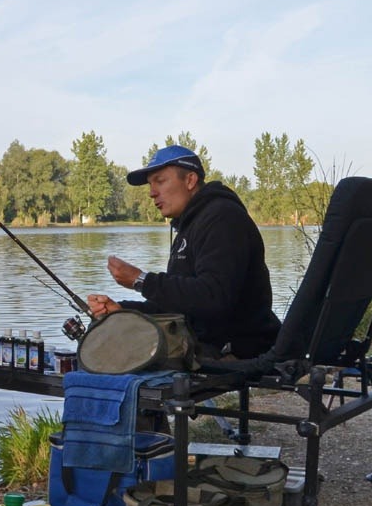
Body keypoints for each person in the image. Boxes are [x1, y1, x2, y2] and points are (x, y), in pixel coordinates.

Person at [87, 145, 280, 360]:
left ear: (190, 180)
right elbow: (178, 305)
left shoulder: (223, 218)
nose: (152, 193)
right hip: (200, 342)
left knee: (116, 365)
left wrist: (140, 280)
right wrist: (122, 310)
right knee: (103, 346)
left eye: (160, 181)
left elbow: (214, 297)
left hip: (239, 349)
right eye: (150, 184)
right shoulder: (188, 226)